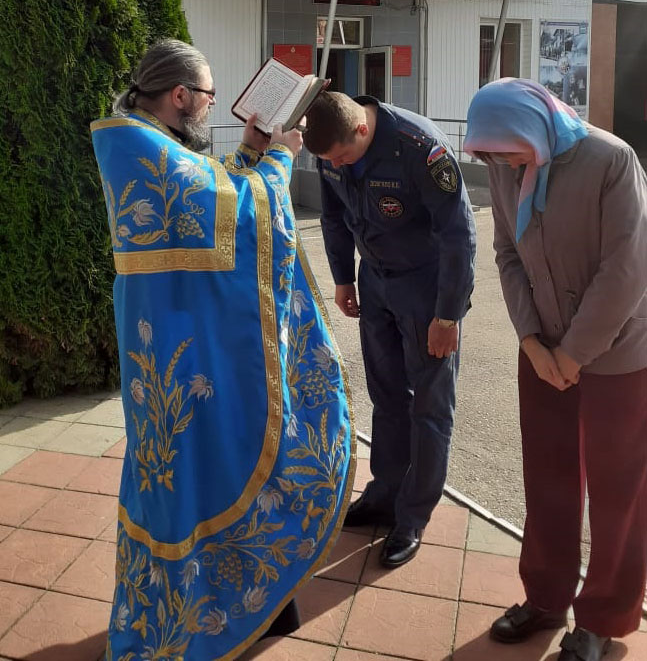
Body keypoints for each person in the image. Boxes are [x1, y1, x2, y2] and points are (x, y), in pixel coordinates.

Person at [91, 40, 354, 661]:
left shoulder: (146, 139)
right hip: (186, 348)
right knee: (193, 471)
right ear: (180, 95)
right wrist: (281, 159)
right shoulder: (138, 144)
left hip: (180, 338)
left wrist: (252, 153)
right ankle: (185, 621)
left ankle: (228, 602)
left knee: (194, 469)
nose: (213, 106)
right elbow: (240, 215)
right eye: (209, 96)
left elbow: (211, 205)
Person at [464, 77, 647, 661]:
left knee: (619, 491)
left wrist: (573, 354)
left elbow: (626, 269)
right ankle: (546, 596)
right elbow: (507, 253)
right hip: (542, 351)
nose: (504, 166)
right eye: (491, 156)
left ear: (534, 126)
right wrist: (532, 342)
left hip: (619, 354)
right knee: (548, 479)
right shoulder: (504, 164)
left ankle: (602, 618)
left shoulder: (611, 161)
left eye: (509, 153)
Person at [303, 91, 476, 568]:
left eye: (341, 158)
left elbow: (460, 234)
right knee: (386, 395)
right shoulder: (330, 145)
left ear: (362, 129)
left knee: (430, 406)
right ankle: (385, 493)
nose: (335, 166)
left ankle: (413, 515)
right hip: (375, 282)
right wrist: (343, 277)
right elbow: (333, 216)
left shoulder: (420, 148)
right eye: (328, 161)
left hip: (425, 288)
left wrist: (448, 315)